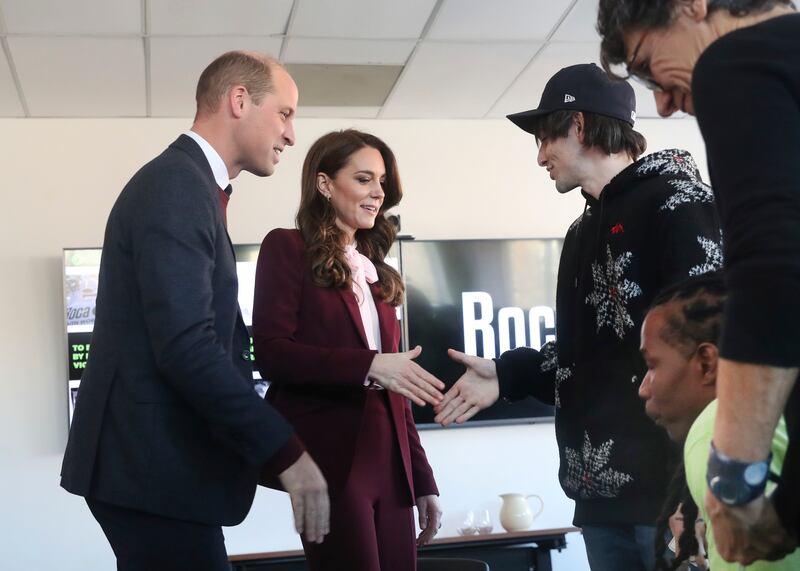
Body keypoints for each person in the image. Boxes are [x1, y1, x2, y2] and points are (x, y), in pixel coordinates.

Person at [434, 63, 723, 571]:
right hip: (598, 503)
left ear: (579, 126)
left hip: (670, 498)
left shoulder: (678, 204)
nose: (540, 155)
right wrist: (508, 374)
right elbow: (585, 356)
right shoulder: (579, 232)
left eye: (545, 137)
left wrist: (696, 491)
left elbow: (712, 354)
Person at [60, 51, 329, 571]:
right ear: (239, 100)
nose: (292, 136)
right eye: (286, 114)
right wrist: (287, 453)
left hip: (156, 472)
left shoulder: (190, 187)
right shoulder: (177, 186)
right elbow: (187, 347)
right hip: (151, 471)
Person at [596, 0, 800, 564]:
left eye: (645, 64)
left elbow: (774, 270)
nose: (661, 102)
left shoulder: (737, 59)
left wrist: (732, 484)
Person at [252, 129, 443, 571]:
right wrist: (370, 365)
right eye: (363, 179)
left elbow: (399, 387)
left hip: (391, 462)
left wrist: (422, 479)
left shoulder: (378, 274)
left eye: (381, 182)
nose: (377, 193)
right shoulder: (286, 247)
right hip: (332, 460)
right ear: (324, 184)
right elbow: (272, 353)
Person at [639, 271, 800, 570]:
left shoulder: (713, 428)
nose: (643, 388)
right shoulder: (780, 413)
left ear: (706, 363)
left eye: (652, 365)